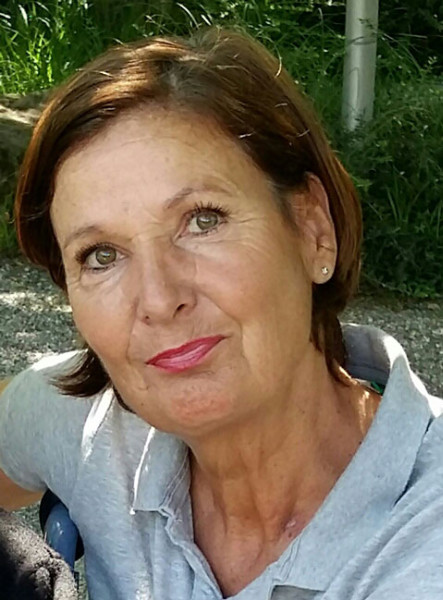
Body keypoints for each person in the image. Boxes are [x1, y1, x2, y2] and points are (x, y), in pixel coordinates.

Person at [1, 27, 442, 600]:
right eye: (101, 255)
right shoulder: (99, 431)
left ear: (314, 229)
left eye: (202, 220)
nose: (159, 299)